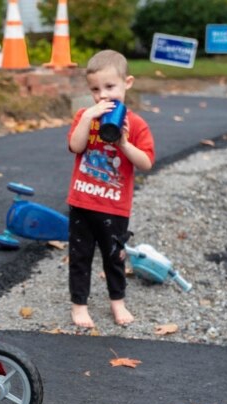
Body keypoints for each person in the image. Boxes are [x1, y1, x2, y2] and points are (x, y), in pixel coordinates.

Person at [66, 50, 155, 329]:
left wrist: (125, 144)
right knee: (80, 257)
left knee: (114, 256)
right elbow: (76, 147)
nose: (103, 95)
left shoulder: (136, 124)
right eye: (95, 89)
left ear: (127, 83)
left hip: (114, 206)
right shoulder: (85, 116)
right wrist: (85, 119)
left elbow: (147, 163)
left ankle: (118, 302)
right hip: (82, 201)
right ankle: (79, 305)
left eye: (110, 87)